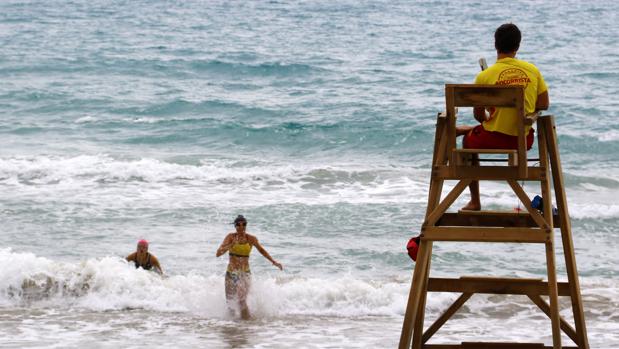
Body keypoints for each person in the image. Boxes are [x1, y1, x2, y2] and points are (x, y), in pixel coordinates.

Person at [456, 23, 550, 210]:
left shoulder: (485, 76)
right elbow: (543, 104)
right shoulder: (533, 70)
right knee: (488, 130)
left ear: (495, 45)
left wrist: (492, 114)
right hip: (523, 140)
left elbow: (478, 115)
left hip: (491, 139)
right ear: (518, 46)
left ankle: (475, 201)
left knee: (468, 141)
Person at [216, 215, 283, 319]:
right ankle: (230, 327)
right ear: (235, 226)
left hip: (244, 273)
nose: (241, 227)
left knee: (241, 301)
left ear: (246, 225)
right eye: (238, 224)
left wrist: (273, 261)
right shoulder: (230, 237)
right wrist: (230, 245)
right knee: (229, 302)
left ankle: (246, 325)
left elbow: (262, 250)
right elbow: (218, 253)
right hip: (231, 273)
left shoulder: (251, 239)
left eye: (244, 224)